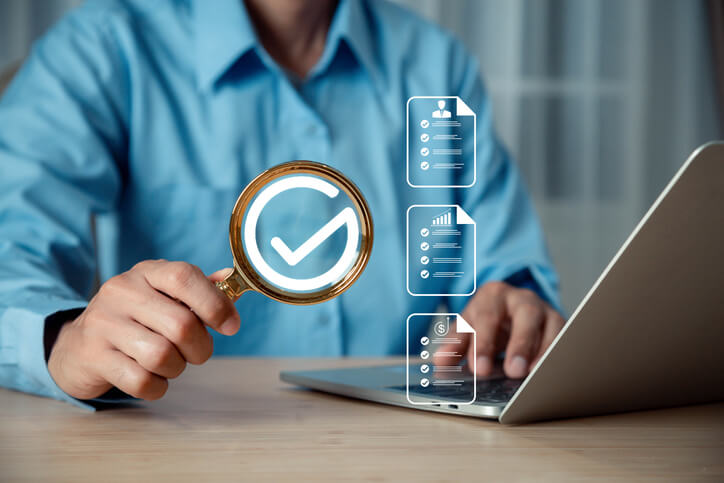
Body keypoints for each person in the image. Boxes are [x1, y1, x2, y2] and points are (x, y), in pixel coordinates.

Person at [0, 0, 565, 408]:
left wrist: (517, 316)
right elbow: (12, 251)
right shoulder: (100, 49)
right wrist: (63, 339)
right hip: (187, 441)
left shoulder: (438, 65)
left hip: (406, 445)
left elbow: (505, 283)